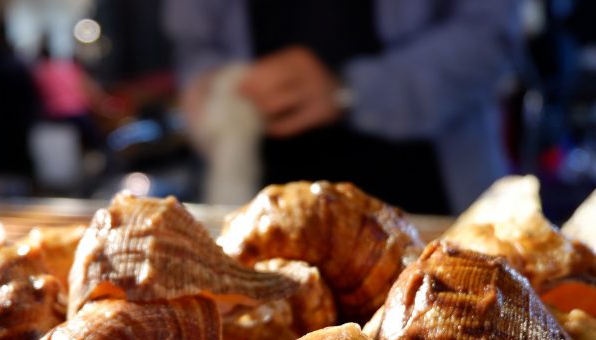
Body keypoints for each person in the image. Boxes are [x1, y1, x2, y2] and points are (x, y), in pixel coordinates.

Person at [163, 0, 523, 213]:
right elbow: (195, 48)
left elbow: (491, 36)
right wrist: (218, 93)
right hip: (262, 205)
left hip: (429, 193)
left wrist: (348, 90)